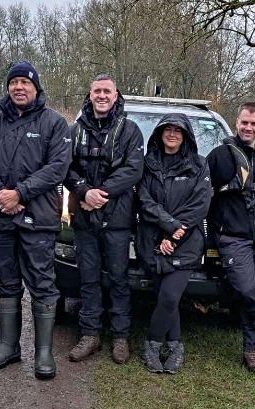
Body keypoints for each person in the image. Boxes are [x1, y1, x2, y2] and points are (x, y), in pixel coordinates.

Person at [0, 61, 71, 379]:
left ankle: (43, 352)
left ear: (36, 87)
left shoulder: (54, 123)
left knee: (42, 282)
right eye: (13, 82)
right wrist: (0, 193)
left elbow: (58, 167)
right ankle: (7, 346)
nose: (19, 87)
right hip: (0, 215)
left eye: (25, 83)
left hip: (38, 217)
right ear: (7, 87)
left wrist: (20, 194)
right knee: (5, 279)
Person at [64, 74, 144, 364]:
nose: (101, 95)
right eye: (97, 90)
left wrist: (99, 194)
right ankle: (90, 334)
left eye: (106, 91)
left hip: (118, 220)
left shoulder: (130, 131)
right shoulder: (74, 130)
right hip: (84, 221)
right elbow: (65, 168)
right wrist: (83, 192)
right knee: (88, 280)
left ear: (115, 94)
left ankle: (120, 337)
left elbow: (134, 170)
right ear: (90, 94)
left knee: (120, 280)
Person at [207, 102, 255, 374]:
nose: (248, 127)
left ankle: (252, 349)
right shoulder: (218, 156)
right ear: (236, 122)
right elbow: (207, 196)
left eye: (254, 123)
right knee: (247, 290)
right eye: (244, 122)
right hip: (232, 237)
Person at [136, 113, 210, 374]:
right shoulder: (146, 164)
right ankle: (176, 345)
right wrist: (166, 229)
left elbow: (199, 205)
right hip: (152, 242)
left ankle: (152, 345)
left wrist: (173, 235)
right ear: (158, 134)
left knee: (168, 297)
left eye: (177, 130)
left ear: (186, 136)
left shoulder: (199, 165)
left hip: (185, 243)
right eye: (167, 129)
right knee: (165, 299)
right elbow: (144, 201)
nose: (172, 134)